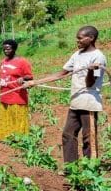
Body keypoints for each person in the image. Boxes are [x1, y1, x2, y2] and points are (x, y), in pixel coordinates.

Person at [26, 26, 106, 162]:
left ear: (91, 38)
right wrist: (35, 82)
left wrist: (92, 71)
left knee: (89, 138)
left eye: (80, 38)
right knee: (68, 134)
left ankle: (91, 168)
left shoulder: (98, 57)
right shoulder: (77, 55)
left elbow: (90, 84)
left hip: (89, 103)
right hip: (75, 102)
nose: (77, 41)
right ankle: (71, 167)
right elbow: (61, 74)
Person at [0, 40, 33, 140]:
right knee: (6, 118)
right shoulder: (3, 62)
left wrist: (23, 78)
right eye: (4, 49)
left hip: (17, 96)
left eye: (8, 49)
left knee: (17, 118)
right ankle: (7, 138)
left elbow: (30, 77)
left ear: (14, 49)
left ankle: (19, 139)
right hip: (5, 96)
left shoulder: (22, 62)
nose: (6, 51)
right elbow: (3, 78)